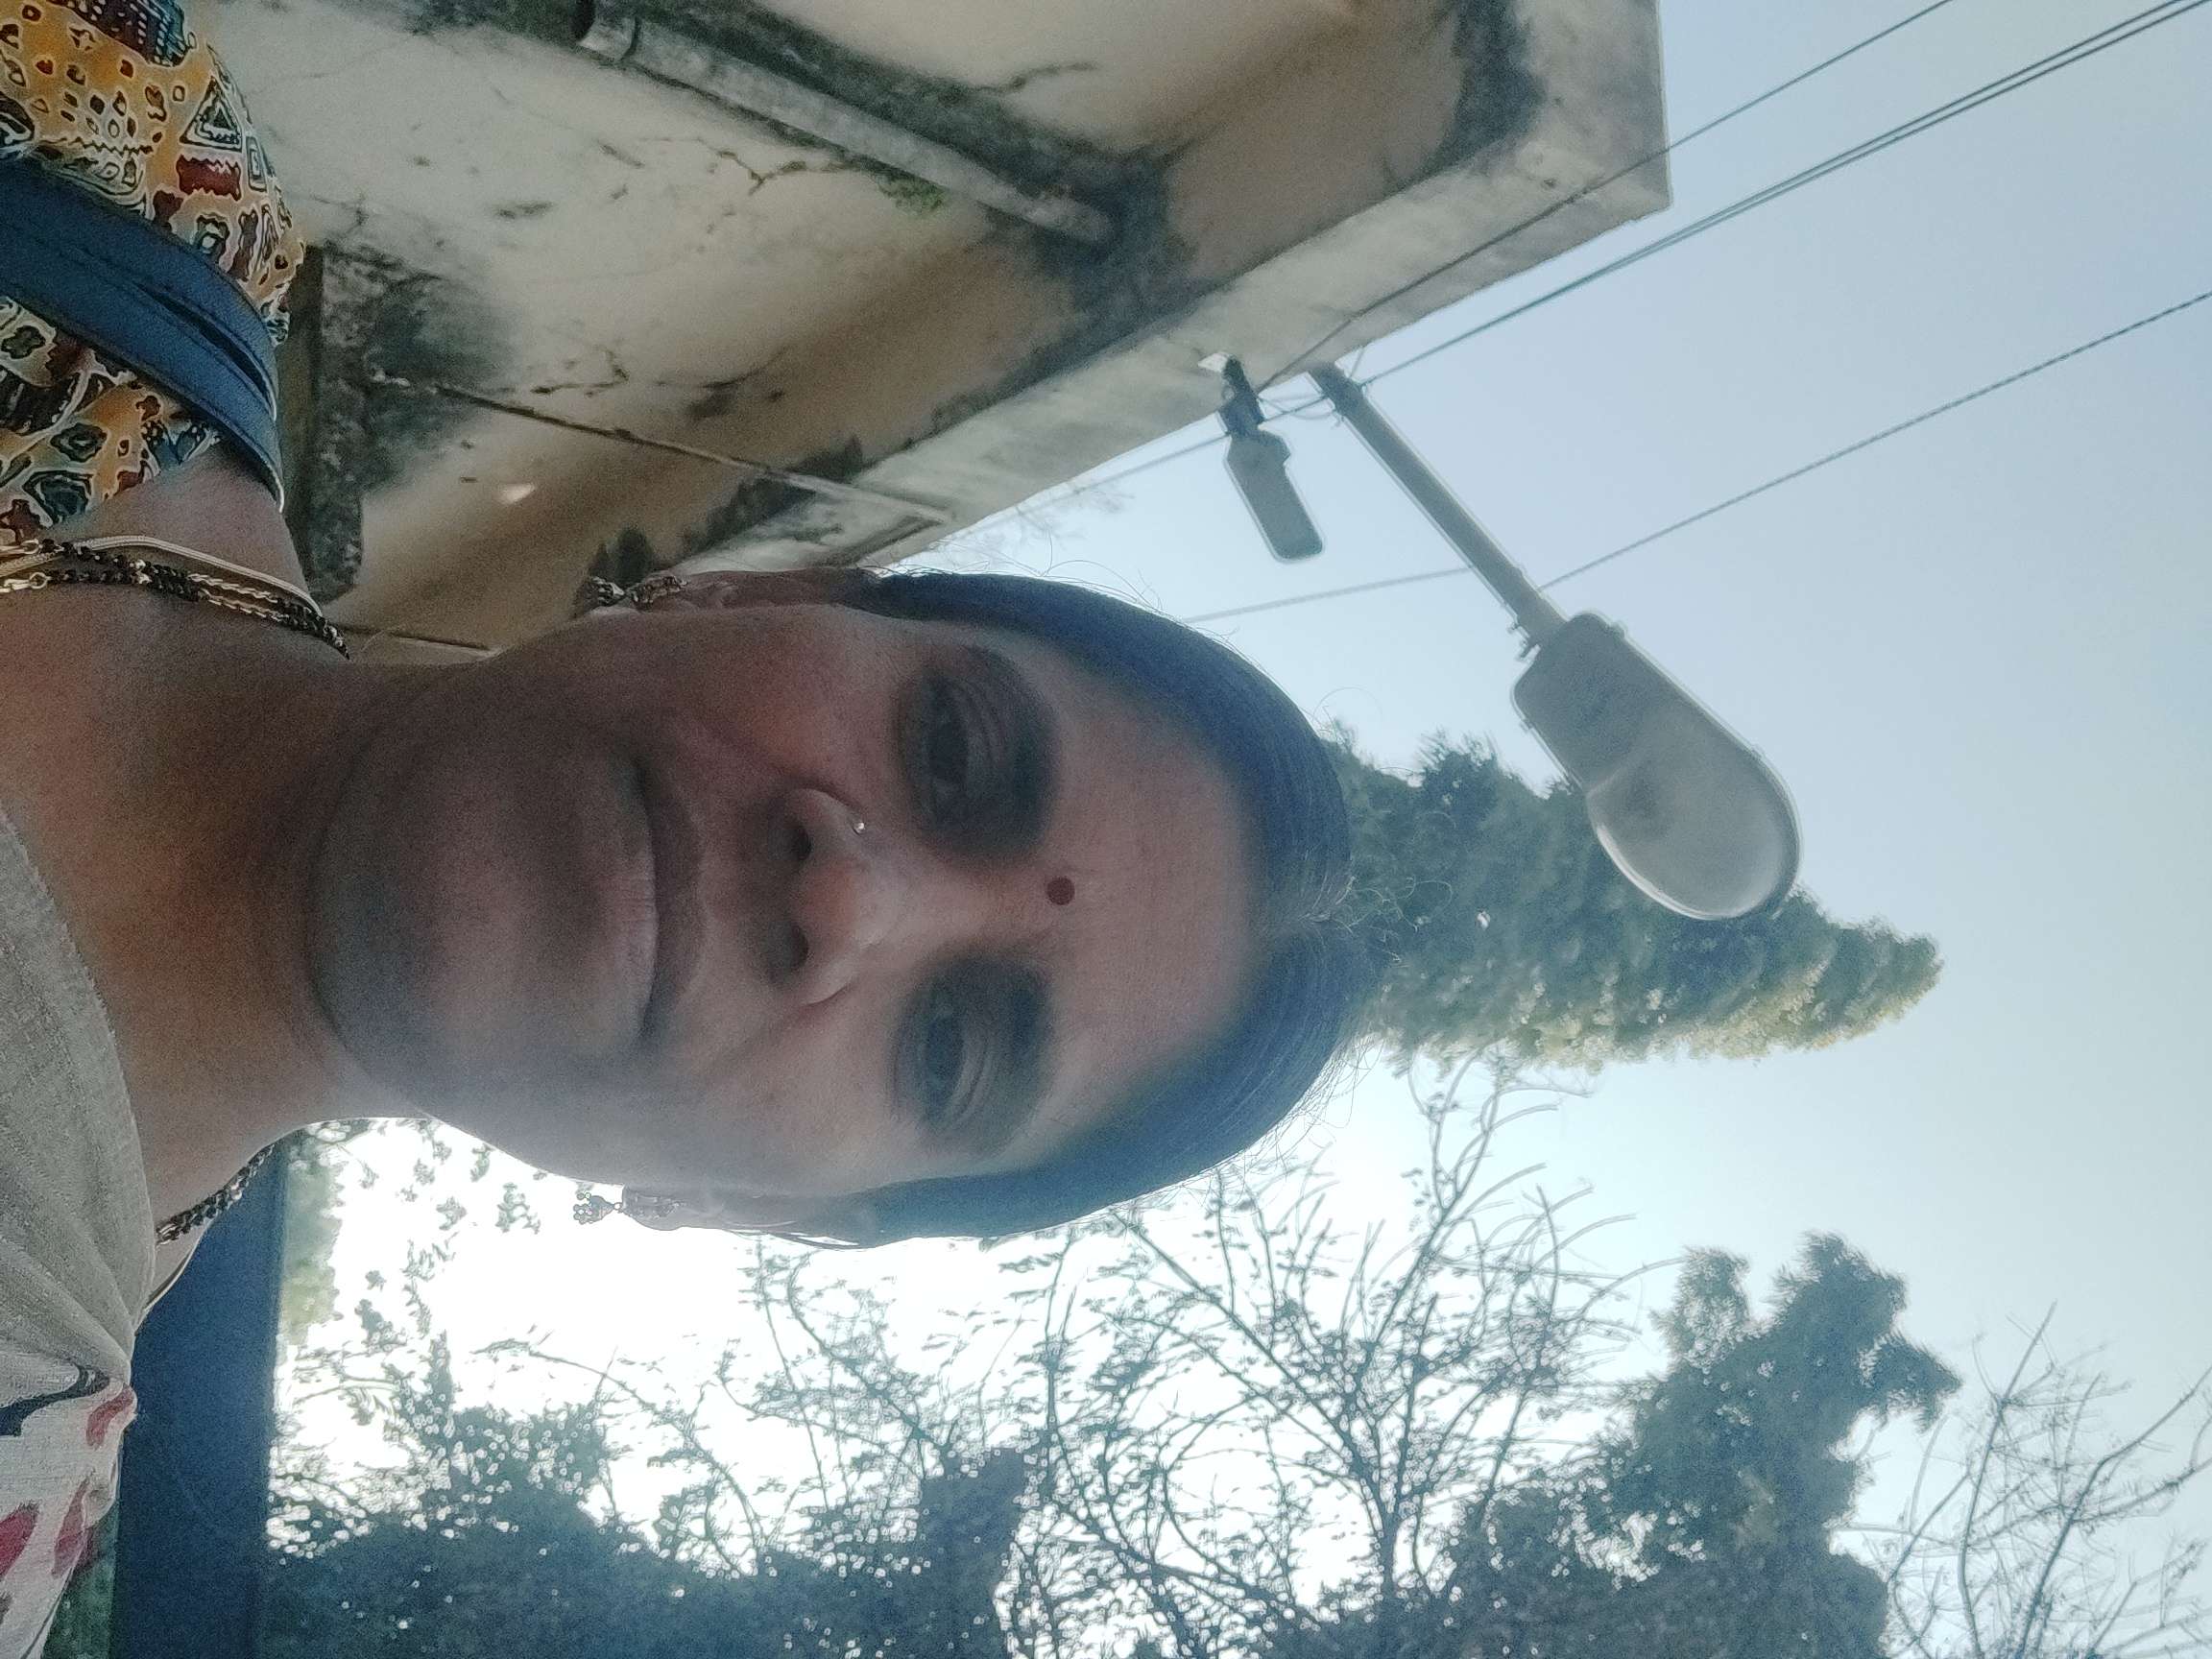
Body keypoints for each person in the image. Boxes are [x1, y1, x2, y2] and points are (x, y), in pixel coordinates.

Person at [0, 0, 1364, 1649]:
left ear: (762, 1215)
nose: (849, 904)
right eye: (952, 749)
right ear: (755, 591)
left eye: (950, 1049)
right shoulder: (116, 159)